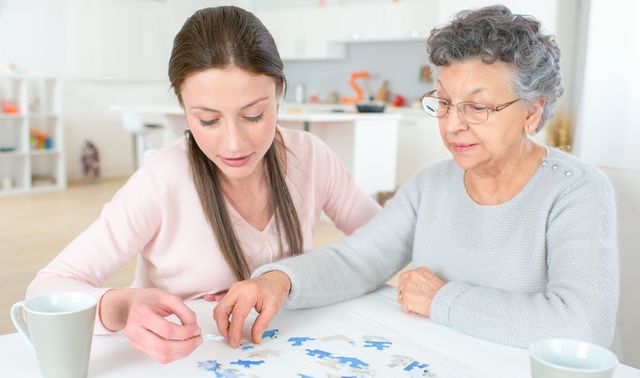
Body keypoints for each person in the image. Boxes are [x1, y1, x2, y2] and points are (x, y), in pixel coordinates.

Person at [214, 5, 619, 349]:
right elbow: (357, 260)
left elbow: (583, 325)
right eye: (443, 102)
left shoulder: (576, 190)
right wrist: (279, 281)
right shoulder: (431, 186)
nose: (453, 124)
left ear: (532, 112)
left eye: (477, 108)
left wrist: (442, 299)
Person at [26, 6, 380, 363]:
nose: (234, 144)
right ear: (184, 107)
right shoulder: (163, 179)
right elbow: (46, 289)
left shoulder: (310, 157)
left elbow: (386, 243)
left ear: (279, 93)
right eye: (208, 120)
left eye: (254, 115)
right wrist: (121, 305)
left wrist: (284, 279)